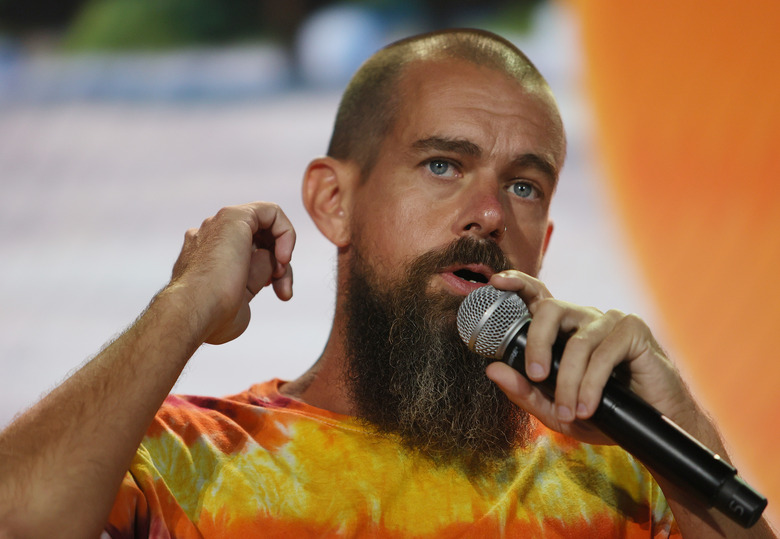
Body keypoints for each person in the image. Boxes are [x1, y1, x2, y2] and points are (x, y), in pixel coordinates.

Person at [0, 29, 775, 538]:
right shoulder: (190, 456)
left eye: (526, 186)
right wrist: (179, 309)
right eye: (443, 164)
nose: (487, 213)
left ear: (546, 241)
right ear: (334, 202)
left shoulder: (622, 476)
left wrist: (684, 433)